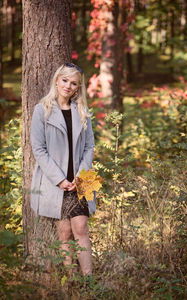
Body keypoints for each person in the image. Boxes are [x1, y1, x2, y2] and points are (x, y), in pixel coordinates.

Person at [30, 62, 95, 275]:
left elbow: (89, 146)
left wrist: (81, 176)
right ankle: (72, 282)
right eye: (65, 80)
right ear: (57, 80)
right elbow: (38, 149)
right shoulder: (42, 110)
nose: (68, 86)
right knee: (65, 233)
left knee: (81, 229)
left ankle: (89, 282)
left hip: (81, 181)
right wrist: (60, 179)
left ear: (78, 88)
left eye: (73, 83)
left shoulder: (83, 111)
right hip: (55, 182)